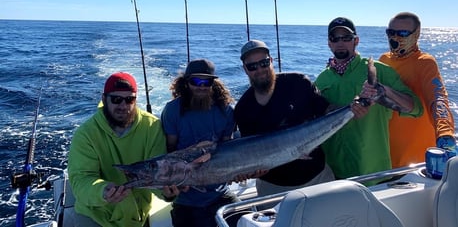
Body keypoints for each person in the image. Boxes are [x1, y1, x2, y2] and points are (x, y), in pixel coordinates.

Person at [315, 17, 423, 183]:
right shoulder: (322, 80)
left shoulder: (379, 70)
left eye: (346, 38)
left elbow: (415, 108)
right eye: (335, 38)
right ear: (329, 43)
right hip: (334, 175)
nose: (340, 42)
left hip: (373, 173)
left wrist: (383, 91)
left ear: (356, 41)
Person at [67, 72, 174, 227]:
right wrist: (102, 191)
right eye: (116, 99)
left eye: (129, 99)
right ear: (104, 100)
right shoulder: (86, 134)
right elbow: (80, 180)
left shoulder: (152, 127)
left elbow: (156, 175)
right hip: (96, 214)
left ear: (136, 100)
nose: (123, 106)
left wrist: (166, 192)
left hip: (138, 215)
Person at [234, 39, 335, 198]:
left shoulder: (298, 83)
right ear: (245, 69)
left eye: (264, 63)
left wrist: (355, 107)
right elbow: (251, 154)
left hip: (318, 178)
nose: (259, 69)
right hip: (273, 188)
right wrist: (249, 171)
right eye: (252, 66)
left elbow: (328, 112)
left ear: (272, 61)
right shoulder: (242, 109)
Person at [161, 59, 239, 227]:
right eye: (196, 81)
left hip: (220, 194)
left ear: (213, 83)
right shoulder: (173, 110)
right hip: (186, 198)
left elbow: (227, 152)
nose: (201, 86)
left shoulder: (226, 111)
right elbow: (170, 151)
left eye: (207, 81)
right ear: (186, 82)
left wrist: (238, 172)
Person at [379, 12, 456, 167]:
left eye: (402, 33)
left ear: (417, 35)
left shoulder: (425, 63)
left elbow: (438, 98)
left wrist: (444, 133)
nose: (395, 38)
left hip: (417, 159)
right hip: (387, 155)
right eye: (391, 32)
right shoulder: (383, 60)